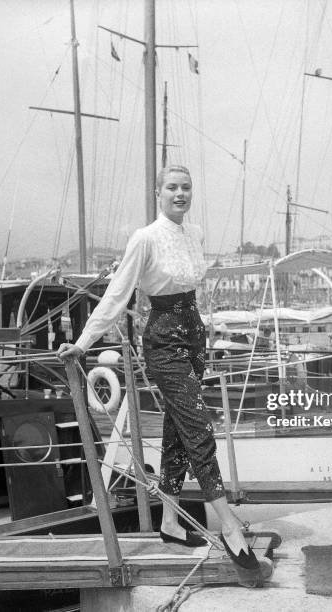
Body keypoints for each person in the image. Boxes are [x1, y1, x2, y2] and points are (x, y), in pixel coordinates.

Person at [57, 165, 258, 571]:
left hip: (194, 334)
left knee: (179, 430)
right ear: (158, 193)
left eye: (186, 187)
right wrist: (81, 344)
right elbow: (117, 294)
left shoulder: (195, 233)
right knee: (199, 427)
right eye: (172, 187)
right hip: (164, 339)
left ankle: (169, 521)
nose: (179, 194)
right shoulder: (145, 238)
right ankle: (229, 524)